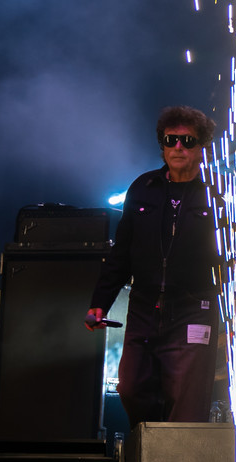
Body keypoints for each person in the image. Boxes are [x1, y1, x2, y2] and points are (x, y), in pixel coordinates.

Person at [85, 106, 224, 427]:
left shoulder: (217, 193)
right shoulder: (143, 187)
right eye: (170, 140)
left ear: (202, 147)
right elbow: (122, 252)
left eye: (188, 141)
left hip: (193, 307)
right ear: (162, 144)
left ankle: (177, 454)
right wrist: (99, 302)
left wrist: (233, 315)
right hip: (145, 307)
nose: (178, 147)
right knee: (131, 387)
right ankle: (152, 444)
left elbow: (233, 258)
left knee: (188, 401)